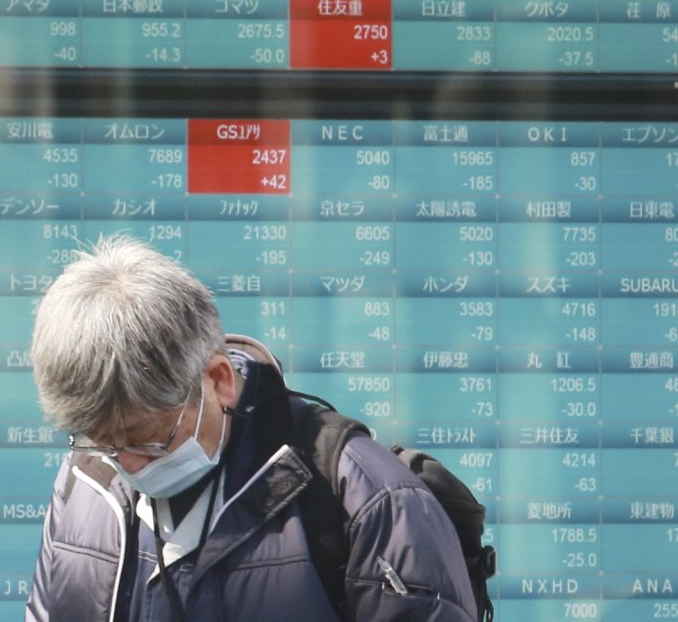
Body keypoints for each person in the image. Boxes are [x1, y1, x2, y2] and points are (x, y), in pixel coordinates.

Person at [24, 235, 477, 621]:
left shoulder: (368, 499)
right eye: (103, 441)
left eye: (149, 437)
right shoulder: (86, 479)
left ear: (218, 380)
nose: (127, 462)